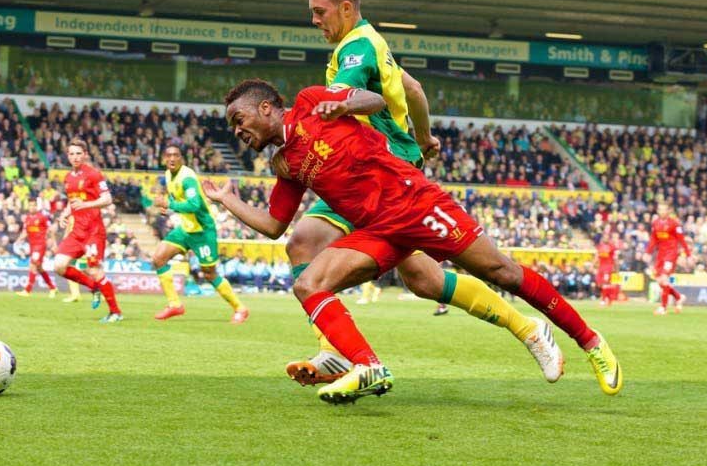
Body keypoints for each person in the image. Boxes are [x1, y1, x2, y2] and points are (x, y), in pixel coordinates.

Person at [207, 80, 621, 403]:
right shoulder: (286, 162)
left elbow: (376, 100)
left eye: (239, 120)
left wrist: (346, 105)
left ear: (265, 108)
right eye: (233, 126)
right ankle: (367, 366)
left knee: (503, 272)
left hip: (415, 204)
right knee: (308, 284)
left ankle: (590, 342)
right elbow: (275, 224)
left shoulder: (313, 100)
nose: (237, 130)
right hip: (378, 230)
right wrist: (228, 200)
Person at [284, 0, 554, 388]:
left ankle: (528, 328)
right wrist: (425, 137)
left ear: (346, 7)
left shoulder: (355, 51)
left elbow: (354, 92)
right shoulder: (376, 46)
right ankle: (335, 350)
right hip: (371, 172)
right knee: (419, 278)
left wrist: (326, 111)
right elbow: (414, 90)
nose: (314, 20)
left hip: (385, 175)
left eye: (320, 12)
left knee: (421, 274)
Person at [150, 145, 248, 323]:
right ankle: (174, 305)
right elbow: (177, 198)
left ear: (182, 158)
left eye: (176, 155)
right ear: (164, 158)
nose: (172, 159)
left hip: (202, 230)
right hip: (186, 228)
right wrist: (168, 204)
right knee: (158, 258)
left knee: (209, 273)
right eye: (168, 155)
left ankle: (240, 308)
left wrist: (169, 204)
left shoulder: (187, 178)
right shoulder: (167, 174)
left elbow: (194, 205)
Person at [53, 139, 123, 324]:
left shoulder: (94, 174)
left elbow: (107, 198)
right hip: (77, 231)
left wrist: (86, 204)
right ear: (68, 156)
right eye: (72, 153)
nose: (75, 157)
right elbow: (73, 200)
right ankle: (93, 287)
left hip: (93, 231)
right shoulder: (68, 178)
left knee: (94, 269)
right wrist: (65, 213)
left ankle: (115, 312)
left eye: (78, 153)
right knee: (59, 265)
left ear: (85, 155)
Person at [648, 202, 690, 315]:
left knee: (664, 279)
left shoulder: (674, 224)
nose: (662, 212)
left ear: (668, 211)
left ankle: (663, 307)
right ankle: (679, 297)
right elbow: (653, 239)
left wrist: (688, 254)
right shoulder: (655, 223)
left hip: (671, 254)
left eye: (664, 209)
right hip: (660, 254)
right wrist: (648, 252)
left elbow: (682, 239)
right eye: (660, 209)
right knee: (659, 281)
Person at [15, 198, 57, 298]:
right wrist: (18, 240)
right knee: (39, 268)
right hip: (32, 246)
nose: (32, 207)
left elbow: (50, 231)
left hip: (40, 245)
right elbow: (25, 232)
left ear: (36, 206)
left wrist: (54, 244)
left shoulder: (42, 217)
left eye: (34, 205)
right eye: (30, 205)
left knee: (32, 265)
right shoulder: (27, 218)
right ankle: (52, 288)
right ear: (28, 206)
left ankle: (27, 290)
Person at [595, 236, 618, 307]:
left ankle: (603, 300)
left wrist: (616, 267)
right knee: (600, 283)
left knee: (605, 283)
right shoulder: (599, 246)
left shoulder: (612, 247)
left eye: (607, 237)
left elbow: (615, 258)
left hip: (608, 267)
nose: (605, 238)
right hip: (600, 267)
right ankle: (608, 298)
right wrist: (595, 264)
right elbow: (597, 256)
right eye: (604, 237)